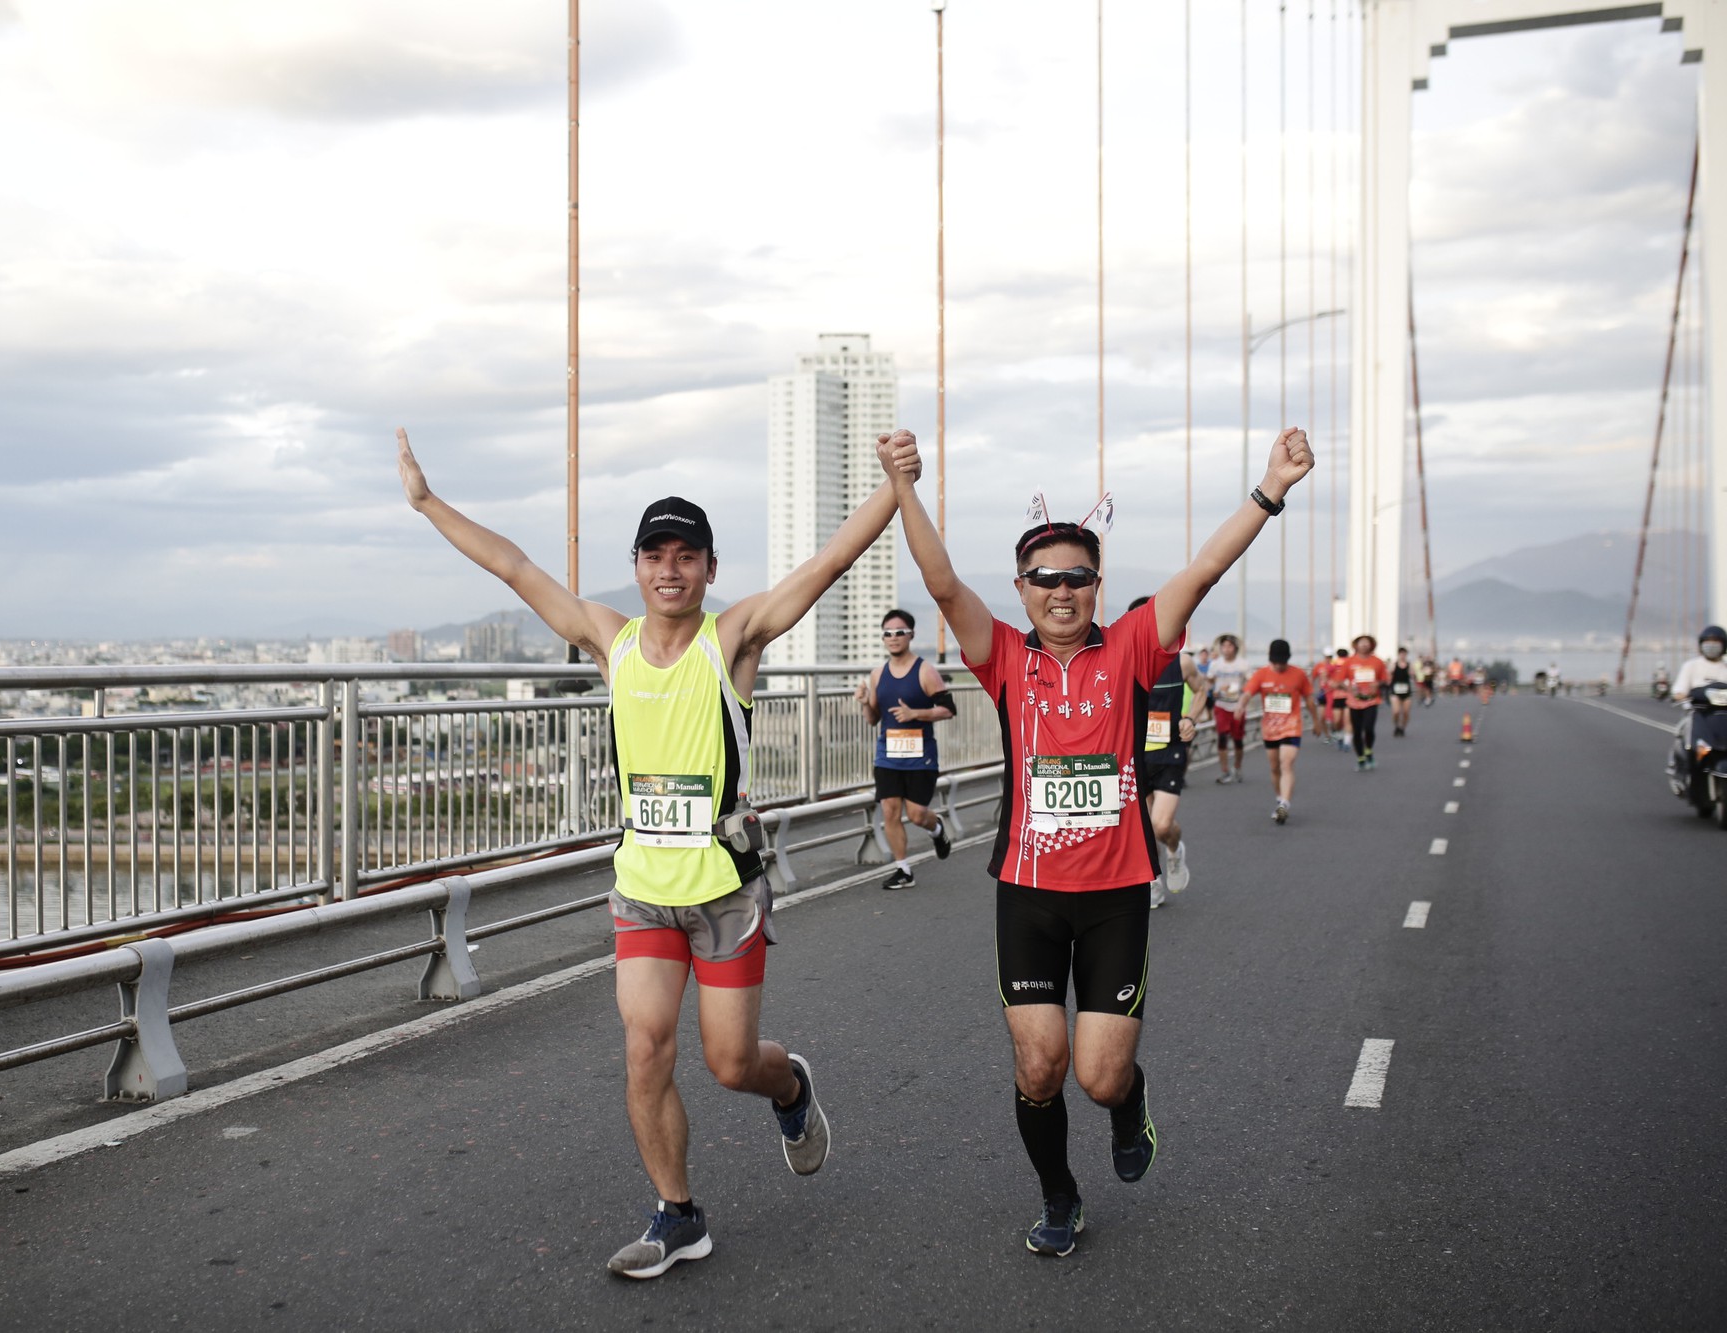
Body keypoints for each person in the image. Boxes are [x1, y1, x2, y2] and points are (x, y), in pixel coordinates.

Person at [395, 427, 921, 1279]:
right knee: (645, 1047)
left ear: (709, 569)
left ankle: (790, 1089)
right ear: (637, 566)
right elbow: (516, 567)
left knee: (730, 1062)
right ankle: (679, 1215)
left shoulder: (734, 639)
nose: (670, 569)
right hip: (641, 886)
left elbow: (825, 566)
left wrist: (895, 486)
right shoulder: (612, 639)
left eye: (687, 555)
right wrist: (424, 503)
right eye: (655, 554)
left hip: (723, 889)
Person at [879, 420, 1314, 1259]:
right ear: (1023, 586)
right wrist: (905, 485)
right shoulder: (1003, 656)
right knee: (1039, 1066)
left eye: (1078, 575)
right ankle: (1059, 1194)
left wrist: (1270, 489)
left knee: (1099, 1074)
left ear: (1098, 582)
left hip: (1116, 895)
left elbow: (1205, 568)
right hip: (1029, 892)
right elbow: (940, 583)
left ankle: (1128, 1103)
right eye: (1045, 577)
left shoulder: (1135, 643)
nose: (1062, 589)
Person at [856, 608, 956, 889]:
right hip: (887, 754)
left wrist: (916, 714)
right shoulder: (877, 674)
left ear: (910, 635)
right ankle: (903, 870)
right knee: (889, 810)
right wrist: (864, 701)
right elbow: (873, 719)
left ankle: (936, 828)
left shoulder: (925, 671)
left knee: (916, 815)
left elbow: (949, 709)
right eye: (888, 633)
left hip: (920, 756)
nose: (893, 637)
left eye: (899, 632)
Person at [1129, 595, 1208, 908]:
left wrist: (1191, 718)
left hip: (1170, 751)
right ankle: (1152, 882)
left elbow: (1202, 690)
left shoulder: (1182, 662)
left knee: (1161, 825)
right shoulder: (1123, 662)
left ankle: (1175, 852)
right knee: (1144, 827)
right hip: (1134, 753)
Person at [1244, 639, 1314, 823]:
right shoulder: (1261, 674)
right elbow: (1247, 693)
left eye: (1281, 662)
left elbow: (1310, 699)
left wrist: (1317, 722)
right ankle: (1279, 798)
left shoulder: (1298, 675)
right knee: (1274, 767)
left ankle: (1284, 803)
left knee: (1286, 764)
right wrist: (1239, 707)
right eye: (1275, 662)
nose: (1278, 666)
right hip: (1270, 729)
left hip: (1292, 726)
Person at [1206, 634, 1251, 784]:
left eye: (1229, 646)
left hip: (1237, 706)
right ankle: (1225, 770)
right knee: (1222, 738)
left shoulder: (1242, 664)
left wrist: (1242, 696)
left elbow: (1250, 684)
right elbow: (1210, 681)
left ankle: (1237, 766)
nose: (1226, 649)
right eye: (1224, 646)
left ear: (1235, 648)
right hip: (1221, 706)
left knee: (1238, 740)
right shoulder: (1215, 664)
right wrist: (1212, 691)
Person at [1346, 634, 1390, 770]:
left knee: (1369, 728)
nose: (1364, 645)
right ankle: (1360, 758)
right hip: (1354, 702)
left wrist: (1378, 684)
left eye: (1367, 642)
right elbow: (1337, 682)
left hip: (1372, 701)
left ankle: (1369, 750)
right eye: (1361, 642)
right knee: (1357, 731)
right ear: (1356, 645)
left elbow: (1386, 680)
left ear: (1371, 645)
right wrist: (1349, 687)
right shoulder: (1349, 662)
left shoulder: (1377, 662)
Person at [1671, 625, 1727, 703]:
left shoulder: (1725, 668)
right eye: (1708, 641)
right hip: (1697, 712)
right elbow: (1679, 692)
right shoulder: (1691, 666)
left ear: (1723, 645)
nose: (1711, 645)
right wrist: (1685, 696)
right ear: (1701, 644)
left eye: (1715, 641)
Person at [1388, 646, 1416, 737]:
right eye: (1401, 654)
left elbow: (1414, 676)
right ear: (1398, 654)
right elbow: (1388, 675)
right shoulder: (1394, 664)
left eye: (1404, 654)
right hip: (1395, 691)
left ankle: (1402, 728)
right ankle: (1396, 726)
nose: (1403, 656)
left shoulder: (1409, 665)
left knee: (1405, 712)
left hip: (1406, 691)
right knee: (1396, 712)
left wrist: (1412, 674)